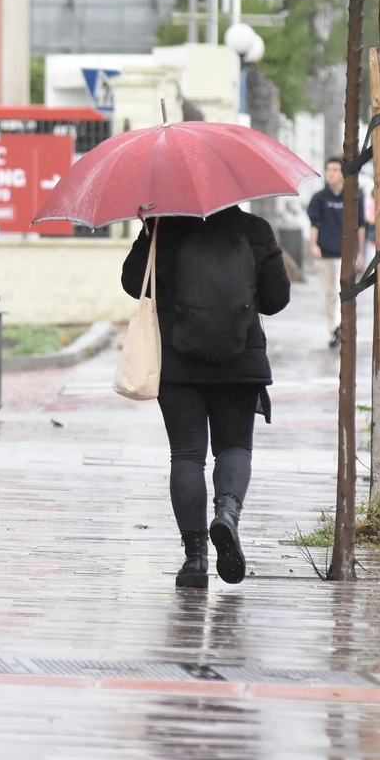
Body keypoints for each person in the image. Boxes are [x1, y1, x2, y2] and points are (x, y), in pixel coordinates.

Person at [120, 206, 290, 589]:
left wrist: (148, 235)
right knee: (234, 448)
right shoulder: (255, 229)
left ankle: (195, 559)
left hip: (179, 366)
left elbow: (133, 284)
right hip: (240, 361)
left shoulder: (165, 230)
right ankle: (226, 513)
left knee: (186, 455)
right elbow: (277, 299)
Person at [306, 157, 366, 349]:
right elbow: (314, 224)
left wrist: (361, 252)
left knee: (345, 291)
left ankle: (343, 325)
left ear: (342, 173)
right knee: (329, 293)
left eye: (335, 169)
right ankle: (333, 327)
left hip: (345, 254)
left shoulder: (353, 196)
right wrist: (314, 245)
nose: (331, 173)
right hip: (325, 253)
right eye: (328, 169)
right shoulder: (319, 198)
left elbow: (361, 226)